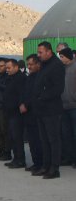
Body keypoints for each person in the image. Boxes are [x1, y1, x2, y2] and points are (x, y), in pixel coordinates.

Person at [33, 41, 66, 179]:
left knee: (53, 140)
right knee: (44, 139)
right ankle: (45, 166)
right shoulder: (44, 66)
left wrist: (42, 96)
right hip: (41, 109)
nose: (38, 55)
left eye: (41, 52)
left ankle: (54, 168)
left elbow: (58, 89)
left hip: (51, 109)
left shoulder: (56, 65)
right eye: (38, 52)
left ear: (49, 51)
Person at [2, 59, 27, 167]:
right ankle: (16, 158)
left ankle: (20, 160)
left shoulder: (21, 78)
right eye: (6, 68)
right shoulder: (9, 78)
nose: (7, 70)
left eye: (9, 68)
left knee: (17, 137)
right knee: (12, 136)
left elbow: (22, 94)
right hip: (9, 111)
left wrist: (21, 104)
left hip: (17, 112)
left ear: (16, 67)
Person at [21, 55, 44, 172]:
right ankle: (36, 163)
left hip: (36, 113)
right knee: (32, 140)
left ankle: (41, 164)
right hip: (28, 114)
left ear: (37, 64)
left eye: (31, 64)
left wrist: (26, 104)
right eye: (28, 64)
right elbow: (25, 93)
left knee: (38, 140)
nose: (28, 67)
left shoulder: (40, 77)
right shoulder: (29, 77)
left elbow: (35, 95)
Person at [57, 48, 76, 167]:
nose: (61, 59)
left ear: (68, 56)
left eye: (62, 56)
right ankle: (69, 157)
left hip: (74, 106)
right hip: (63, 106)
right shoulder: (62, 69)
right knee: (66, 134)